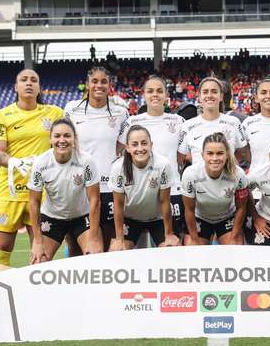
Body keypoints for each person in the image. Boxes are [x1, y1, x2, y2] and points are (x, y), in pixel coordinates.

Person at [0, 68, 64, 267]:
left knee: (42, 251)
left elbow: (69, 139)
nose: (29, 83)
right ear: (16, 87)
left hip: (42, 192)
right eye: (24, 80)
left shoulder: (55, 113)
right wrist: (14, 162)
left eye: (34, 80)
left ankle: (37, 295)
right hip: (10, 190)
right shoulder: (2, 115)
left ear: (39, 88)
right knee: (2, 246)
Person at [64, 66, 129, 250]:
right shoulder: (72, 109)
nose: (98, 85)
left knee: (108, 246)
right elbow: (67, 142)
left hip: (109, 187)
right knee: (77, 245)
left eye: (103, 81)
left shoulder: (121, 113)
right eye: (94, 81)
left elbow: (120, 147)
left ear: (109, 86)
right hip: (79, 187)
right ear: (87, 84)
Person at [27, 118, 103, 264]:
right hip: (53, 217)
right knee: (38, 262)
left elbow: (95, 200)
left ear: (74, 138)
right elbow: (34, 202)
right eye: (57, 136)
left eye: (67, 135)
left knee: (94, 256)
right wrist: (37, 241)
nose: (62, 140)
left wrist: (93, 238)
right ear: (50, 139)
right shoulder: (40, 163)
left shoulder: (86, 161)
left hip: (82, 217)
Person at [119, 75, 185, 240]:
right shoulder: (132, 122)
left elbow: (182, 156)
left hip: (172, 190)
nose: (155, 94)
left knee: (171, 245)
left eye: (159, 91)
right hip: (138, 191)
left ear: (166, 95)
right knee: (136, 250)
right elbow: (121, 151)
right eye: (150, 91)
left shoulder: (179, 121)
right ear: (144, 95)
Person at [109, 125, 180, 250]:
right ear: (128, 148)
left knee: (172, 249)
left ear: (151, 145)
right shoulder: (118, 168)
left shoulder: (162, 164)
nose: (140, 148)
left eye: (144, 143)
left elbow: (165, 201)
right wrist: (119, 239)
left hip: (157, 219)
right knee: (117, 251)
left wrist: (169, 234)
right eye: (135, 144)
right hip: (130, 219)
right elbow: (118, 205)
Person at [181, 133, 248, 245]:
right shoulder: (190, 174)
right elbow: (189, 209)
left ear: (227, 155)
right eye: (210, 153)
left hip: (226, 217)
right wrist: (194, 239)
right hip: (200, 218)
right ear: (202, 155)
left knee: (234, 249)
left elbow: (241, 208)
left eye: (220, 153)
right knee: (193, 251)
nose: (215, 158)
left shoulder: (238, 174)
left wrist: (234, 237)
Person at [178, 76, 249, 168]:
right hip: (199, 181)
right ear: (199, 97)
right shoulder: (187, 126)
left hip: (227, 181)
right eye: (205, 92)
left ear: (221, 96)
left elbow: (242, 153)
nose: (209, 95)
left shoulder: (234, 122)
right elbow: (181, 157)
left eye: (214, 92)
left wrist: (227, 166)